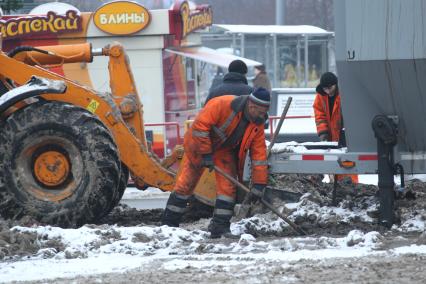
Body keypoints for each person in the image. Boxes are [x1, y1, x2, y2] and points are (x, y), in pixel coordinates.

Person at [162, 88, 270, 238]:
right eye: (261, 112)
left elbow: (259, 155)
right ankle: (169, 225)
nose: (263, 116)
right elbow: (200, 128)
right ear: (252, 106)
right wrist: (206, 154)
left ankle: (219, 227)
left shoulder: (256, 123)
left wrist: (259, 184)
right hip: (198, 146)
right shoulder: (221, 104)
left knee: (228, 188)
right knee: (185, 185)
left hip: (223, 150)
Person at [313, 72, 358, 183]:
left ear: (336, 84)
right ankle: (336, 185)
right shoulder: (320, 97)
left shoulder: (344, 93)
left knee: (348, 163)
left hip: (345, 135)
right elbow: (319, 116)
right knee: (333, 162)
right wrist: (323, 133)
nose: (328, 91)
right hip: (331, 136)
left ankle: (351, 185)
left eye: (330, 88)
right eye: (325, 89)